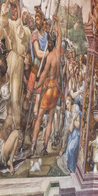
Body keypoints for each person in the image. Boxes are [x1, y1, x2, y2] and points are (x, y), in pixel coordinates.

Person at [0, 0, 30, 128]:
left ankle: (16, 126)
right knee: (5, 93)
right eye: (13, 9)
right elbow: (3, 23)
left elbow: (20, 35)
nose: (14, 11)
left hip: (18, 60)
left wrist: (18, 10)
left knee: (15, 95)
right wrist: (7, 2)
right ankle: (5, 122)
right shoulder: (9, 23)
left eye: (17, 9)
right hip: (9, 58)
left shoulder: (26, 30)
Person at [30, 18, 62, 156]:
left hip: (49, 88)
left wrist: (35, 85)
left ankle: (33, 146)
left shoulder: (49, 57)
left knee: (40, 117)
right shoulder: (58, 54)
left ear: (51, 42)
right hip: (57, 89)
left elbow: (43, 75)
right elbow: (60, 35)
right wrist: (58, 23)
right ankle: (44, 148)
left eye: (49, 42)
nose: (48, 44)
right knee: (50, 120)